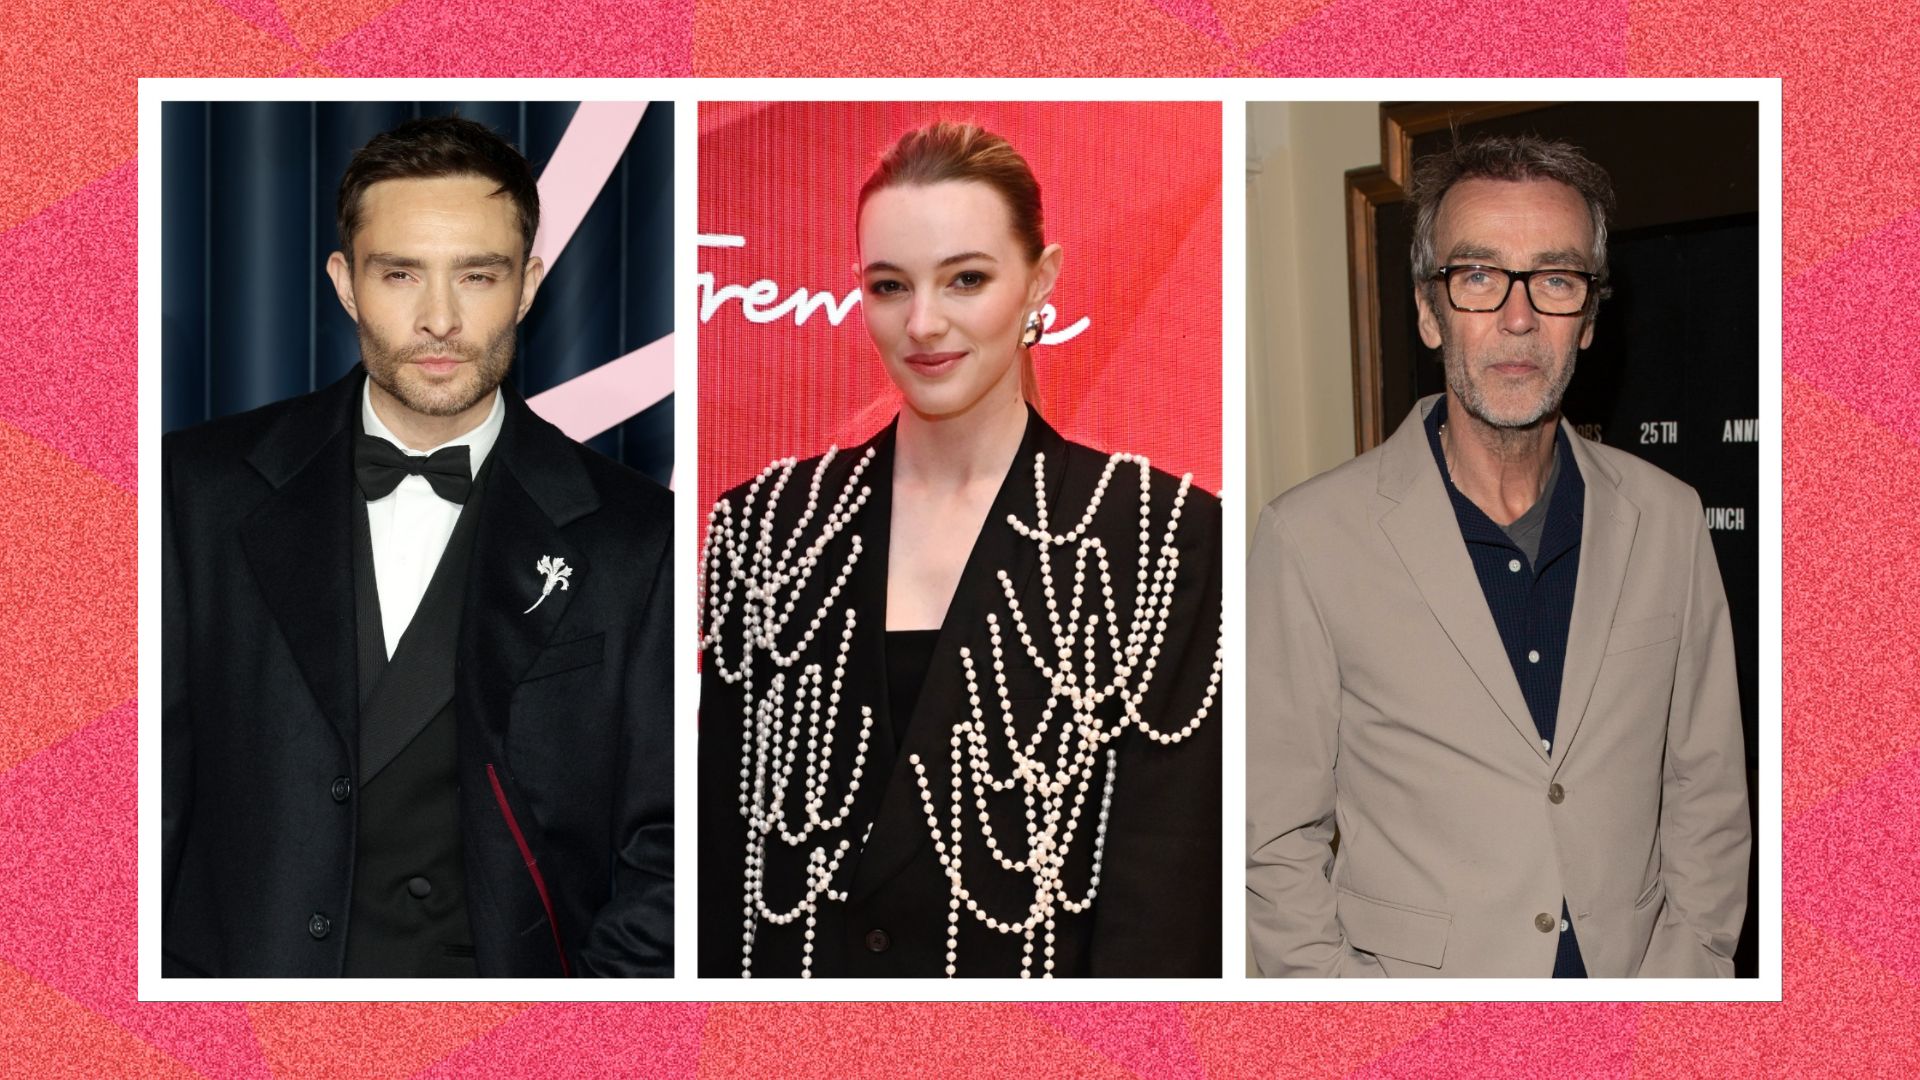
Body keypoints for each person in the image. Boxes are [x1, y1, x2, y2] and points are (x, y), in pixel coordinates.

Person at [697, 121, 1223, 978]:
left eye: (966, 279)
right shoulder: (763, 527)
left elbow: (1164, 898)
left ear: (1039, 281)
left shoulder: (1163, 539)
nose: (924, 323)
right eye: (889, 286)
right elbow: (722, 867)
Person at [162, 115, 673, 978]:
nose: (440, 319)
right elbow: (110, 800)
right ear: (346, 284)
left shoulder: (634, 534)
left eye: (477, 275)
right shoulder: (191, 493)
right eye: (401, 274)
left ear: (528, 285)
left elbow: (666, 845)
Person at [1246, 134, 1750, 978]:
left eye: (1554, 280)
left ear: (1588, 318)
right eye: (1477, 276)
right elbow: (1269, 840)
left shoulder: (1668, 519)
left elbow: (1707, 796)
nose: (1518, 318)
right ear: (1426, 307)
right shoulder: (1308, 538)